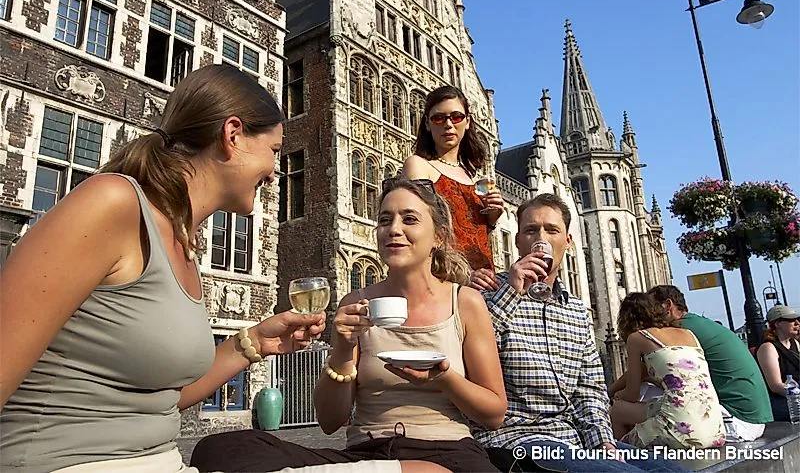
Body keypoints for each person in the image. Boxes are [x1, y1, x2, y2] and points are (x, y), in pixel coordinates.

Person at [0, 65, 329, 472]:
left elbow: (159, 399)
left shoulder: (182, 244)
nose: (275, 171)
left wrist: (255, 343)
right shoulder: (114, 203)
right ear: (232, 135)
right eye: (274, 151)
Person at [190, 178, 507, 472]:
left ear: (438, 236)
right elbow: (330, 421)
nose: (394, 229)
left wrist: (444, 378)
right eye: (385, 220)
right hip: (368, 454)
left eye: (409, 219)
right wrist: (343, 348)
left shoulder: (464, 302)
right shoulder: (355, 303)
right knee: (220, 449)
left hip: (448, 452)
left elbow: (493, 414)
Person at [470, 194, 684, 472]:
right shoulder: (486, 294)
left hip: (572, 438)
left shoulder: (577, 311)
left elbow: (590, 390)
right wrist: (511, 293)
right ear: (518, 240)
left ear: (568, 241)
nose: (541, 239)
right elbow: (471, 353)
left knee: (673, 470)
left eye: (552, 230)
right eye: (531, 230)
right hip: (516, 439)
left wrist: (603, 442)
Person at [649, 285, 772, 441]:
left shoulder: (680, 332)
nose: (647, 314)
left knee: (647, 396)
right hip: (752, 419)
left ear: (667, 305)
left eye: (650, 308)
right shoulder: (698, 324)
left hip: (737, 422)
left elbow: (646, 375)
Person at [402, 85, 501, 271]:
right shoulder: (418, 165)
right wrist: (462, 277)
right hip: (445, 277)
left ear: (467, 121)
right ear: (427, 124)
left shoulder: (474, 177)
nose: (448, 124)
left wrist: (491, 219)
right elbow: (418, 231)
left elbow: (476, 239)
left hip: (484, 277)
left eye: (456, 117)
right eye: (438, 118)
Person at [611, 291, 725, 450]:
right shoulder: (689, 334)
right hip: (715, 431)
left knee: (617, 410)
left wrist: (617, 395)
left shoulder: (637, 338)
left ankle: (622, 458)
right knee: (662, 405)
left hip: (681, 434)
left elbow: (631, 395)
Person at [755, 305, 800, 422]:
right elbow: (775, 386)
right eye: (791, 320)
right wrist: (797, 394)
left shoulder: (794, 343)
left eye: (797, 319)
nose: (797, 323)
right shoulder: (768, 348)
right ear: (778, 324)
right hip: (781, 401)